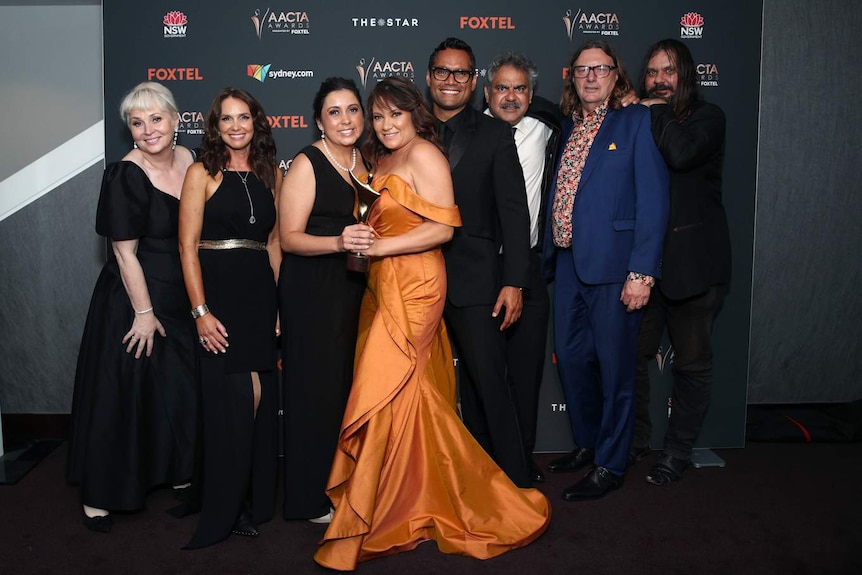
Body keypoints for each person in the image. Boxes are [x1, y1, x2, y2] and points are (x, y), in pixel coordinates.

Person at [314, 77, 549, 571]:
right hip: (382, 284)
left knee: (389, 382)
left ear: (413, 114)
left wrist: (379, 247)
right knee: (402, 391)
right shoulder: (380, 159)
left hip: (418, 285)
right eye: (377, 117)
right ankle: (397, 496)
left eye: (394, 114)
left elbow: (444, 227)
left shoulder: (425, 154)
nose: (385, 124)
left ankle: (419, 498)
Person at [66, 82, 197, 533]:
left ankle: (176, 469)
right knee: (127, 390)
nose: (148, 130)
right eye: (137, 123)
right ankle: (102, 494)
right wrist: (143, 314)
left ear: (176, 120)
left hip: (184, 294)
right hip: (136, 295)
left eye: (156, 119)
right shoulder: (125, 174)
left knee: (178, 385)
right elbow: (123, 253)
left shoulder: (191, 160)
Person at [543, 40, 669, 500]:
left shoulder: (636, 121)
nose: (591, 76)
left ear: (616, 75)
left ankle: (611, 464)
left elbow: (654, 199)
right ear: (572, 78)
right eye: (582, 70)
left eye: (601, 68)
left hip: (617, 268)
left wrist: (642, 271)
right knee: (573, 361)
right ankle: (589, 443)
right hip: (568, 262)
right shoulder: (567, 126)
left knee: (616, 370)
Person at [427, 37, 534, 488]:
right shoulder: (405, 129)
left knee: (489, 384)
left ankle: (516, 483)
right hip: (416, 279)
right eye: (442, 72)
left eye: (460, 73)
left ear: (474, 82)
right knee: (425, 389)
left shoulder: (494, 134)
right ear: (429, 76)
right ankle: (447, 481)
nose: (450, 81)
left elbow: (514, 212)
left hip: (475, 279)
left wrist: (514, 282)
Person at [178, 87, 281, 547]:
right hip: (217, 293)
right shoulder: (202, 172)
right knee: (235, 401)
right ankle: (228, 502)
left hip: (259, 293)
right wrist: (200, 311)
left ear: (256, 123)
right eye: (227, 119)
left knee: (257, 402)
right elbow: (187, 246)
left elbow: (275, 244)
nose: (236, 126)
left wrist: (279, 305)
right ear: (215, 127)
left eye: (244, 118)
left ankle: (249, 498)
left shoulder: (269, 173)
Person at [631, 39, 731, 485]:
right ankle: (635, 442)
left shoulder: (708, 118)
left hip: (695, 265)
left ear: (686, 75)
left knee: (692, 364)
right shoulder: (640, 118)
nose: (659, 80)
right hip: (646, 265)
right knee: (631, 357)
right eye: (652, 72)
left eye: (668, 71)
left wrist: (655, 109)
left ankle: (676, 453)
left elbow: (681, 154)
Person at [278, 77, 367, 523]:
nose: (345, 119)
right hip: (313, 290)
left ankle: (342, 485)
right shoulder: (307, 163)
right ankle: (308, 497)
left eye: (353, 109)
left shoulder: (366, 162)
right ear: (319, 120)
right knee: (314, 392)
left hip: (354, 292)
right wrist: (338, 241)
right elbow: (290, 239)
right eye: (334, 112)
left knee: (344, 392)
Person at [483, 50, 562, 484]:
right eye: (502, 88)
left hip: (528, 267)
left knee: (527, 370)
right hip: (478, 269)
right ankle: (482, 461)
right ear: (486, 92)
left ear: (532, 95)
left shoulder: (549, 129)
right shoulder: (467, 133)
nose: (511, 97)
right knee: (483, 372)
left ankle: (521, 459)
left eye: (520, 88)